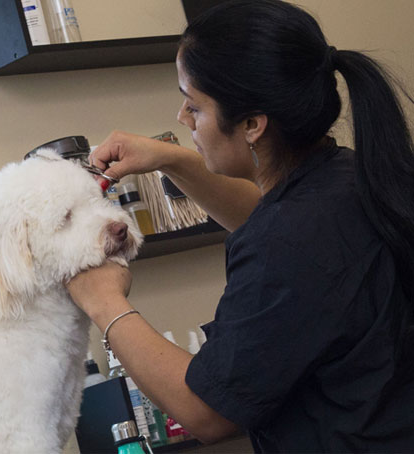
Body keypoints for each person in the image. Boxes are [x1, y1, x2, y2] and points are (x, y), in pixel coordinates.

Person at [65, 0, 414, 452]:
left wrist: (104, 303)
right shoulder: (348, 178)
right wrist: (171, 159)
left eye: (194, 106)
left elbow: (206, 412)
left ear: (252, 124)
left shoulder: (287, 239)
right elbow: (271, 224)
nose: (182, 119)